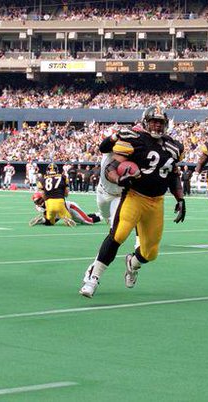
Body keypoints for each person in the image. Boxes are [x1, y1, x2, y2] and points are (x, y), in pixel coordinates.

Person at [79, 106, 186, 298]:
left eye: (160, 122)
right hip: (134, 196)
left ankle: (132, 263)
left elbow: (173, 174)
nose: (156, 125)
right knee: (117, 234)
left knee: (150, 252)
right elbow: (112, 166)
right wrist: (119, 179)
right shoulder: (133, 139)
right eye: (153, 121)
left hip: (157, 202)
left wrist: (180, 198)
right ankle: (92, 279)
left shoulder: (174, 147)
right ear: (145, 121)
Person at [29, 192, 102, 226]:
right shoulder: (40, 207)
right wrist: (45, 220)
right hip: (59, 212)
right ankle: (99, 213)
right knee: (82, 219)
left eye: (40, 200)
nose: (40, 203)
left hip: (70, 207)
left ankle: (105, 216)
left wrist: (65, 217)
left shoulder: (50, 200)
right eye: (37, 202)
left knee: (88, 221)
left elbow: (62, 205)